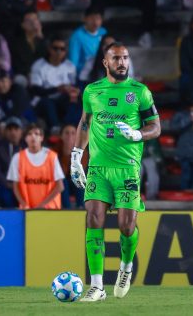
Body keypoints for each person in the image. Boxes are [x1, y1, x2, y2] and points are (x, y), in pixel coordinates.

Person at [69, 41, 160, 301]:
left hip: (128, 168)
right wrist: (77, 155)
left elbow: (156, 127)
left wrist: (137, 133)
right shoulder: (92, 91)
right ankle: (97, 286)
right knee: (93, 219)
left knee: (126, 226)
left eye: (125, 58)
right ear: (105, 62)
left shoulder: (140, 92)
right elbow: (85, 123)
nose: (122, 62)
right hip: (98, 167)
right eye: (116, 58)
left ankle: (125, 268)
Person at [7, 123, 64, 210]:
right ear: (25, 138)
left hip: (50, 209)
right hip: (28, 210)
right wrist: (23, 204)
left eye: (36, 134)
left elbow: (60, 186)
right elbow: (15, 186)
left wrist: (42, 206)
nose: (33, 136)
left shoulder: (52, 157)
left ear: (42, 137)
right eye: (29, 134)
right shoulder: (18, 158)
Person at [30, 37, 80, 134]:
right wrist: (57, 89)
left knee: (75, 99)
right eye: (55, 48)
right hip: (43, 99)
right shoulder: (39, 65)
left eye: (62, 49)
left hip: (62, 98)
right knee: (48, 102)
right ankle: (55, 129)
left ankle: (70, 128)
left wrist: (74, 91)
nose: (58, 52)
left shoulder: (69, 66)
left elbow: (74, 85)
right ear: (49, 49)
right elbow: (35, 90)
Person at [0, 117, 23, 208]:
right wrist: (8, 184)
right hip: (5, 184)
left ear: (21, 132)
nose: (13, 132)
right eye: (10, 129)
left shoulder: (27, 147)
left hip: (23, 184)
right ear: (5, 132)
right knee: (6, 198)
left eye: (16, 129)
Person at [68, 8, 107, 82]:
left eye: (98, 18)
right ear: (85, 19)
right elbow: (73, 61)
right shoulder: (77, 36)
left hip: (102, 71)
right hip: (84, 75)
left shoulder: (103, 32)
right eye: (92, 18)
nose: (95, 22)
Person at [57, 124, 85, 208]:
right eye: (67, 133)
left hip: (77, 185)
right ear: (61, 136)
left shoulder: (83, 153)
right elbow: (60, 174)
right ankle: (67, 209)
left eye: (73, 133)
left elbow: (77, 172)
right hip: (62, 185)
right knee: (63, 181)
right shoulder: (55, 152)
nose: (70, 136)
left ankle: (81, 207)